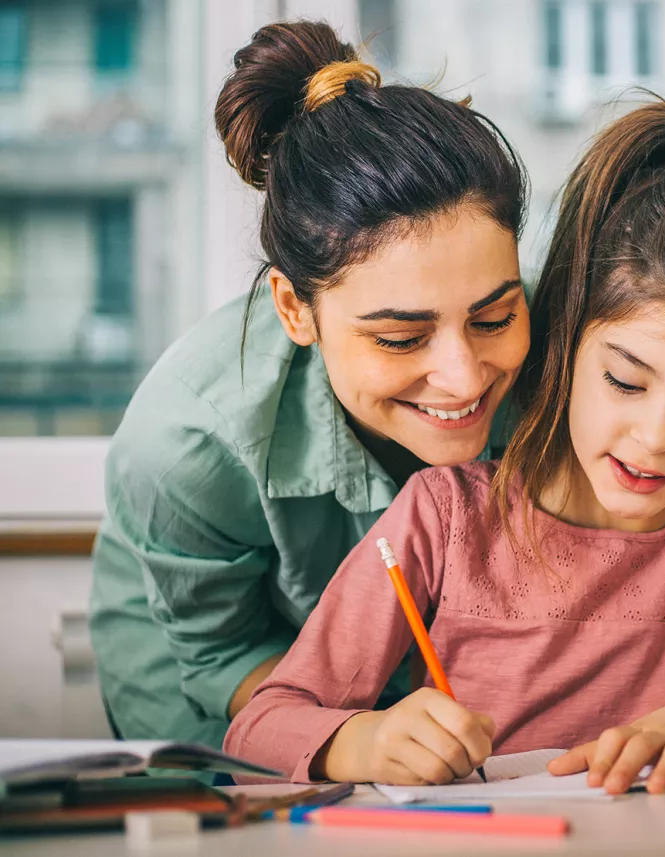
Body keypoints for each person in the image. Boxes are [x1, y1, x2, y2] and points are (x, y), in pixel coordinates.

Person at [225, 100, 665, 793]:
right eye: (626, 382)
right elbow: (261, 723)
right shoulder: (444, 517)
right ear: (564, 347)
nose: (657, 437)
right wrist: (363, 740)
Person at [89, 20, 531, 748]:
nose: (463, 376)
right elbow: (221, 652)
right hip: (216, 679)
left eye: (494, 316)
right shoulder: (186, 442)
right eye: (400, 337)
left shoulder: (568, 355)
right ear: (296, 309)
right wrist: (355, 737)